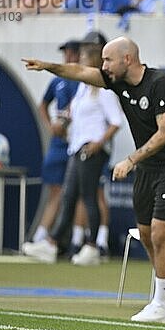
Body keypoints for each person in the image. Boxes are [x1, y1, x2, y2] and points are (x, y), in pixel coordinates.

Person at [23, 35, 165, 324]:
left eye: (107, 59)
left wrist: (131, 159)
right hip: (148, 168)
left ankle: (161, 304)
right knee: (145, 234)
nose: (103, 65)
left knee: (160, 233)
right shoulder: (115, 80)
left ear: (127, 59)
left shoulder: (160, 83)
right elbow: (79, 72)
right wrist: (47, 66)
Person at [23, 32, 123, 266]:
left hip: (92, 150)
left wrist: (99, 143)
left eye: (84, 63)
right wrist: (63, 122)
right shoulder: (83, 90)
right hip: (76, 148)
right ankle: (52, 243)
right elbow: (73, 112)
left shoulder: (105, 90)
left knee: (88, 197)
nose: (80, 67)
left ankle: (92, 247)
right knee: (68, 196)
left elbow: (116, 121)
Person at [31, 39, 80, 246]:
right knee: (56, 190)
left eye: (70, 53)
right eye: (65, 53)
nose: (67, 57)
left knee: (80, 191)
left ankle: (77, 238)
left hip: (78, 141)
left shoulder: (85, 78)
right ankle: (43, 235)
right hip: (59, 142)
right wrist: (50, 125)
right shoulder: (57, 80)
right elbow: (43, 104)